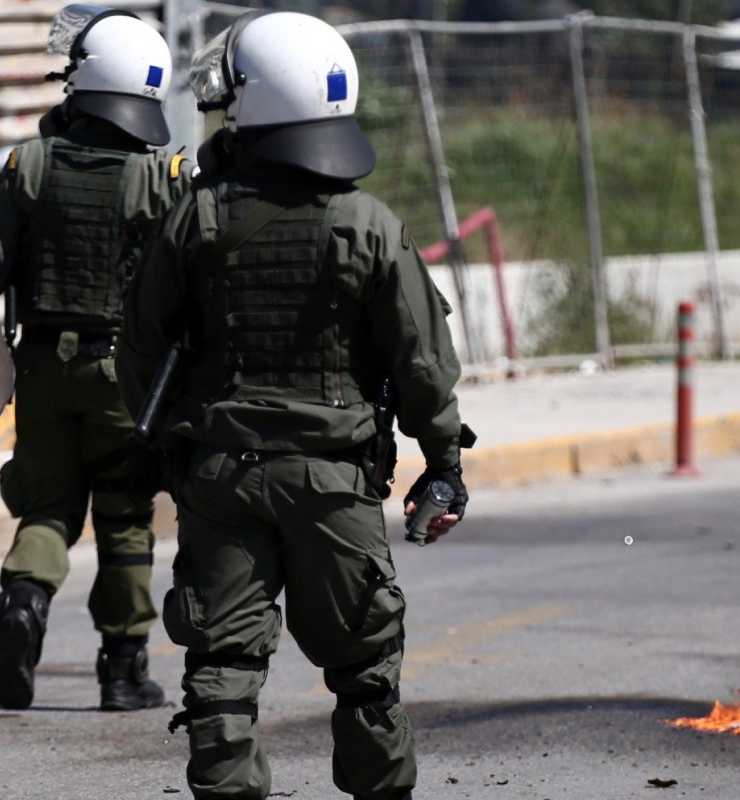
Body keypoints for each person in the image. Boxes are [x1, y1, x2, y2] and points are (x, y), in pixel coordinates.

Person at [117, 11, 472, 800]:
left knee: (222, 670)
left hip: (221, 477)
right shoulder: (370, 226)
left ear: (259, 101)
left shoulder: (196, 217)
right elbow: (422, 364)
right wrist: (443, 464)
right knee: (366, 669)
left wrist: (166, 443)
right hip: (334, 483)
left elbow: (140, 349)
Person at [0, 4, 192, 712]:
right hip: (124, 379)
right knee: (123, 518)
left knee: (48, 508)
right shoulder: (161, 178)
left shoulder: (28, 165)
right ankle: (123, 673)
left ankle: (23, 602)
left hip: (42, 372)